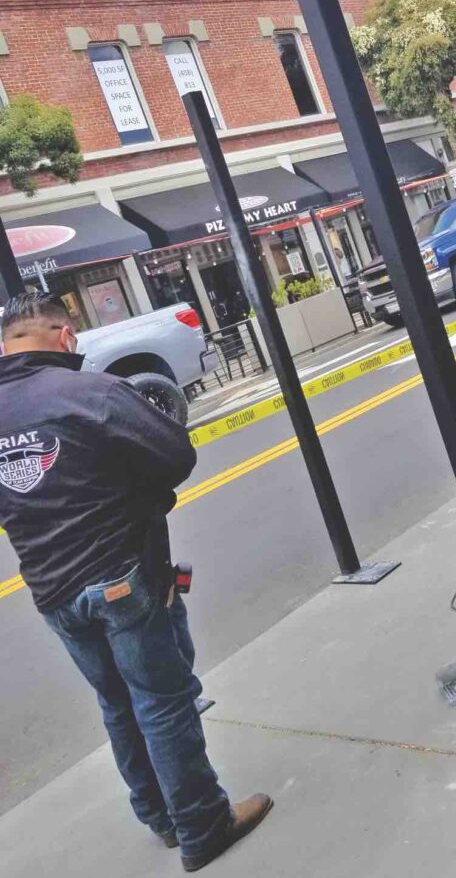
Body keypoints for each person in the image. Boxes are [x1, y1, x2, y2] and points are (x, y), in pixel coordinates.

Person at [0, 292, 272, 872]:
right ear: (65, 337)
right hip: (118, 575)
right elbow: (174, 453)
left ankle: (159, 815)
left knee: (117, 704)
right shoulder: (87, 390)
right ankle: (202, 826)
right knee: (163, 702)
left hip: (51, 590)